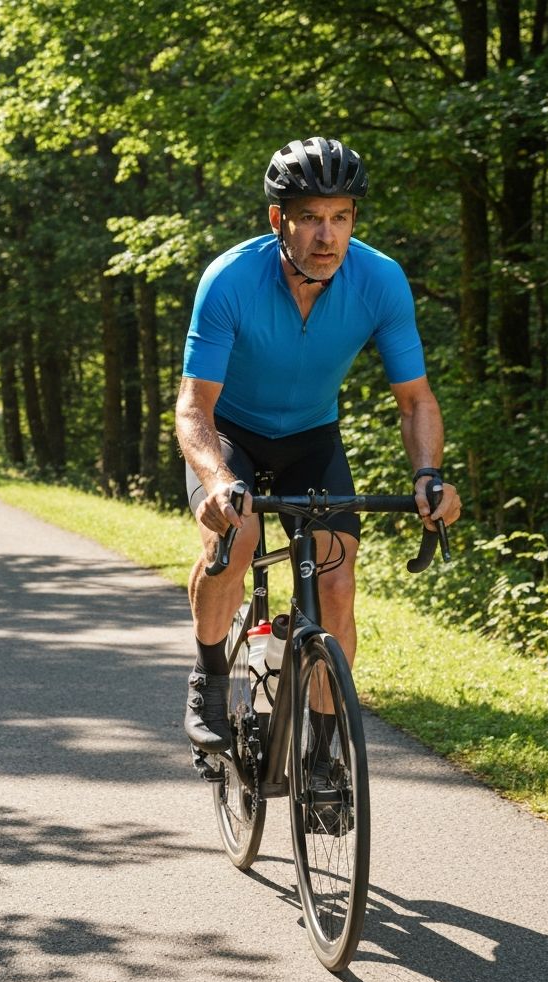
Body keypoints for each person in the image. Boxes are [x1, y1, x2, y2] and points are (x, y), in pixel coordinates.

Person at [175, 136, 462, 754]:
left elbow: (416, 401)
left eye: (340, 217)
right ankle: (209, 676)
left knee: (335, 585)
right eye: (309, 218)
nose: (327, 236)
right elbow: (194, 408)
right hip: (230, 434)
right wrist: (218, 480)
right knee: (236, 540)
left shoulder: (380, 280)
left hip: (311, 439)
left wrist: (428, 475)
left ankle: (324, 753)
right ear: (278, 220)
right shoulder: (230, 279)